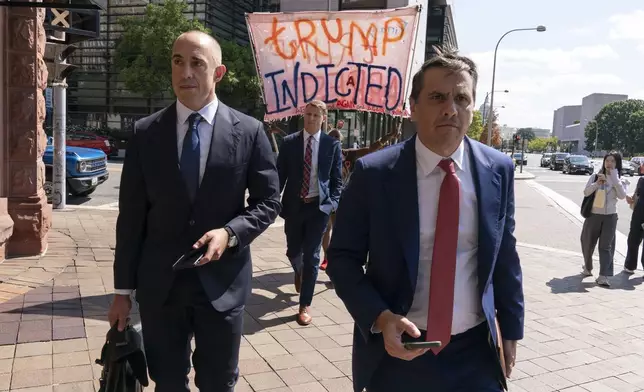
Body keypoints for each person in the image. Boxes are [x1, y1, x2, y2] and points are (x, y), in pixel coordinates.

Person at [326, 47, 523, 392]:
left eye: (462, 97)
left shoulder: (498, 170)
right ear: (413, 107)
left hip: (475, 352)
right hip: (400, 351)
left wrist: (512, 328)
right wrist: (380, 317)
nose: (451, 108)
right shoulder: (374, 174)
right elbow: (342, 259)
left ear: (473, 107)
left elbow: (505, 254)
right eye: (437, 97)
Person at [107, 31, 281, 391]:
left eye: (196, 63)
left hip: (222, 285)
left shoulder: (249, 132)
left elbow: (269, 202)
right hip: (161, 287)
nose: (185, 72)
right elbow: (131, 218)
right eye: (177, 61)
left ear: (218, 72)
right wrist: (122, 291)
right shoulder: (145, 132)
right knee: (167, 381)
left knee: (218, 382)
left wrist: (230, 233)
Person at [276, 100, 343, 326]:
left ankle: (305, 304)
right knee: (293, 250)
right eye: (308, 114)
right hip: (294, 207)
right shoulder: (289, 143)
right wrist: (272, 200)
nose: (311, 118)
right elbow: (278, 176)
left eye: (315, 115)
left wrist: (332, 203)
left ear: (323, 118)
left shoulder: (331, 145)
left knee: (313, 256)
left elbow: (336, 181)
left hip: (318, 208)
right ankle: (299, 268)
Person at [320, 127, 401, 270]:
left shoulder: (348, 155)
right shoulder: (322, 155)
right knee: (325, 229)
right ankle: (326, 257)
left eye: (337, 138)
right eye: (331, 137)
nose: (334, 140)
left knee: (337, 229)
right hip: (325, 197)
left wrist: (388, 136)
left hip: (342, 199)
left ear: (341, 141)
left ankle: (333, 259)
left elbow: (371, 149)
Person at [581, 151, 628, 287]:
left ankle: (603, 276)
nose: (609, 163)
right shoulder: (596, 176)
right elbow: (586, 192)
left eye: (613, 161)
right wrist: (597, 183)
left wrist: (615, 180)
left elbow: (622, 196)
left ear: (617, 163)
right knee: (588, 243)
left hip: (610, 216)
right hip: (594, 215)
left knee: (606, 246)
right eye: (607, 160)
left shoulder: (621, 180)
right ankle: (588, 267)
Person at [625, 176, 644, 274]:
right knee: (633, 239)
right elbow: (637, 194)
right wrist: (630, 196)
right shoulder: (641, 179)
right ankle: (630, 265)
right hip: (638, 214)